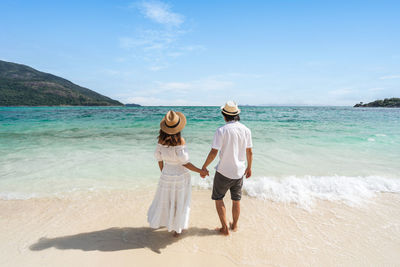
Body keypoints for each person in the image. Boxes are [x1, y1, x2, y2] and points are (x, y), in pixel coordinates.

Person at [147, 110, 208, 237]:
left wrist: (164, 172)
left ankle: (166, 223)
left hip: (166, 174)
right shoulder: (180, 141)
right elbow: (185, 163)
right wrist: (201, 171)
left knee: (167, 200)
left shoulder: (160, 141)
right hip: (180, 176)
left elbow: (159, 159)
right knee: (179, 201)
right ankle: (176, 229)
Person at [201, 101, 253, 235]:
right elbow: (249, 152)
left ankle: (224, 228)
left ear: (224, 115)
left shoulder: (221, 130)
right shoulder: (246, 130)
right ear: (237, 115)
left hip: (223, 172)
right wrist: (249, 168)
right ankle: (234, 226)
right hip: (239, 172)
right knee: (236, 200)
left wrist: (204, 167)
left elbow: (214, 152)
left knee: (218, 198)